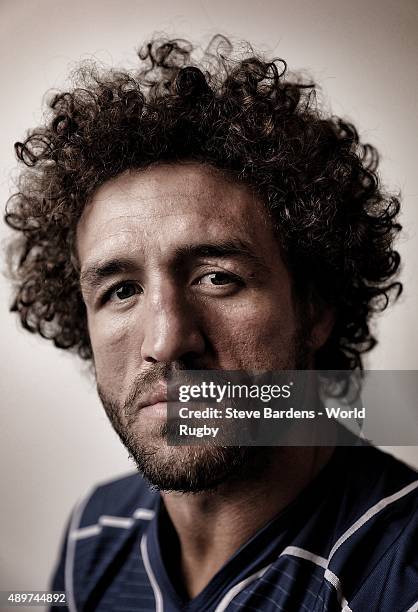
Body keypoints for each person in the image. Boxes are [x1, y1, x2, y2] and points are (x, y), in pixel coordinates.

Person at [5, 36, 418, 611]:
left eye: (218, 277)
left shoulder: (399, 572)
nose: (167, 339)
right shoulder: (93, 533)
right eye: (121, 290)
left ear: (316, 306)